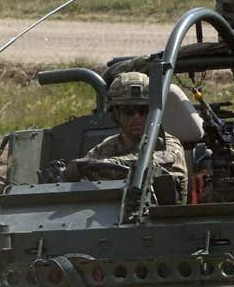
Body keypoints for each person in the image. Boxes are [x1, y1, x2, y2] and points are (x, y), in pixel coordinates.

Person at [65, 72, 188, 204]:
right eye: (128, 111)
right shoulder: (106, 147)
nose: (136, 117)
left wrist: (103, 166)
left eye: (143, 110)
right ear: (115, 114)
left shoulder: (168, 145)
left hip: (161, 218)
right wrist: (74, 171)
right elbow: (85, 176)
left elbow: (149, 164)